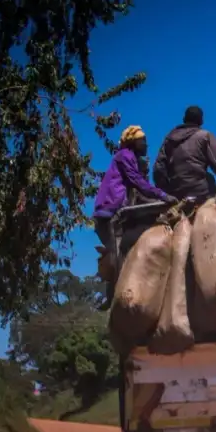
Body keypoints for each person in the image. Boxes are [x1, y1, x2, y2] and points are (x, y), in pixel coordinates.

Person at [93, 125, 175, 309]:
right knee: (118, 254)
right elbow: (138, 182)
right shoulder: (125, 156)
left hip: (116, 210)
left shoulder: (130, 158)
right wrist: (163, 196)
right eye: (142, 141)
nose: (146, 144)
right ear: (133, 143)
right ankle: (114, 295)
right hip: (109, 212)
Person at [153, 106, 216, 201]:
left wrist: (165, 191)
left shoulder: (169, 139)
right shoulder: (204, 136)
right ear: (201, 121)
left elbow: (159, 168)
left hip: (175, 192)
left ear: (184, 119)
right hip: (200, 191)